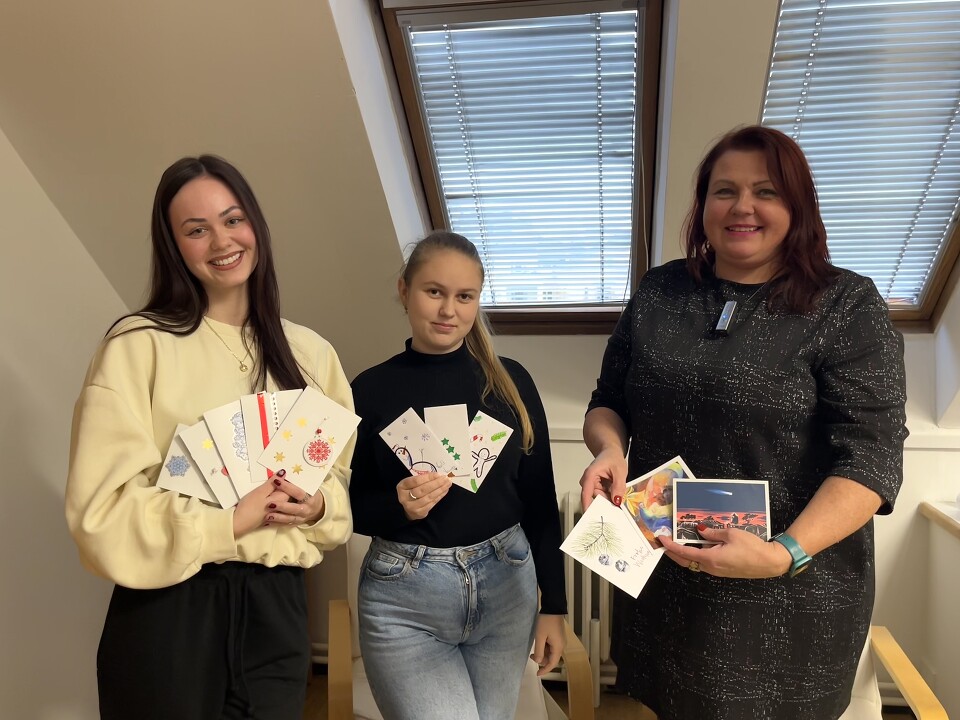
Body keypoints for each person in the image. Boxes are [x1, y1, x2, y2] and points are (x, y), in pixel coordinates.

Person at [579, 125, 907, 720]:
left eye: (766, 192)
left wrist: (784, 553)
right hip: (667, 573)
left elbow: (871, 460)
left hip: (786, 588)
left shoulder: (847, 306)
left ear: (797, 207)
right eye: (725, 191)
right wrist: (608, 449)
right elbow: (609, 403)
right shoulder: (661, 290)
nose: (742, 207)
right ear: (703, 204)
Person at [65, 155, 354, 720]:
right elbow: (99, 511)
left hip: (278, 606)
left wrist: (317, 505)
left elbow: (338, 483)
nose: (222, 241)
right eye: (196, 229)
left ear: (256, 225)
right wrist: (229, 523)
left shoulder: (311, 353)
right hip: (170, 607)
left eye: (233, 219)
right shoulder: (137, 344)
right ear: (173, 245)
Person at [349, 230, 567, 720]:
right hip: (406, 597)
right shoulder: (370, 389)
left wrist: (555, 605)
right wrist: (396, 506)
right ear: (404, 290)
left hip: (507, 584)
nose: (449, 310)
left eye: (465, 296)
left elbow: (540, 498)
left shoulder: (510, 381)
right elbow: (347, 507)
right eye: (434, 292)